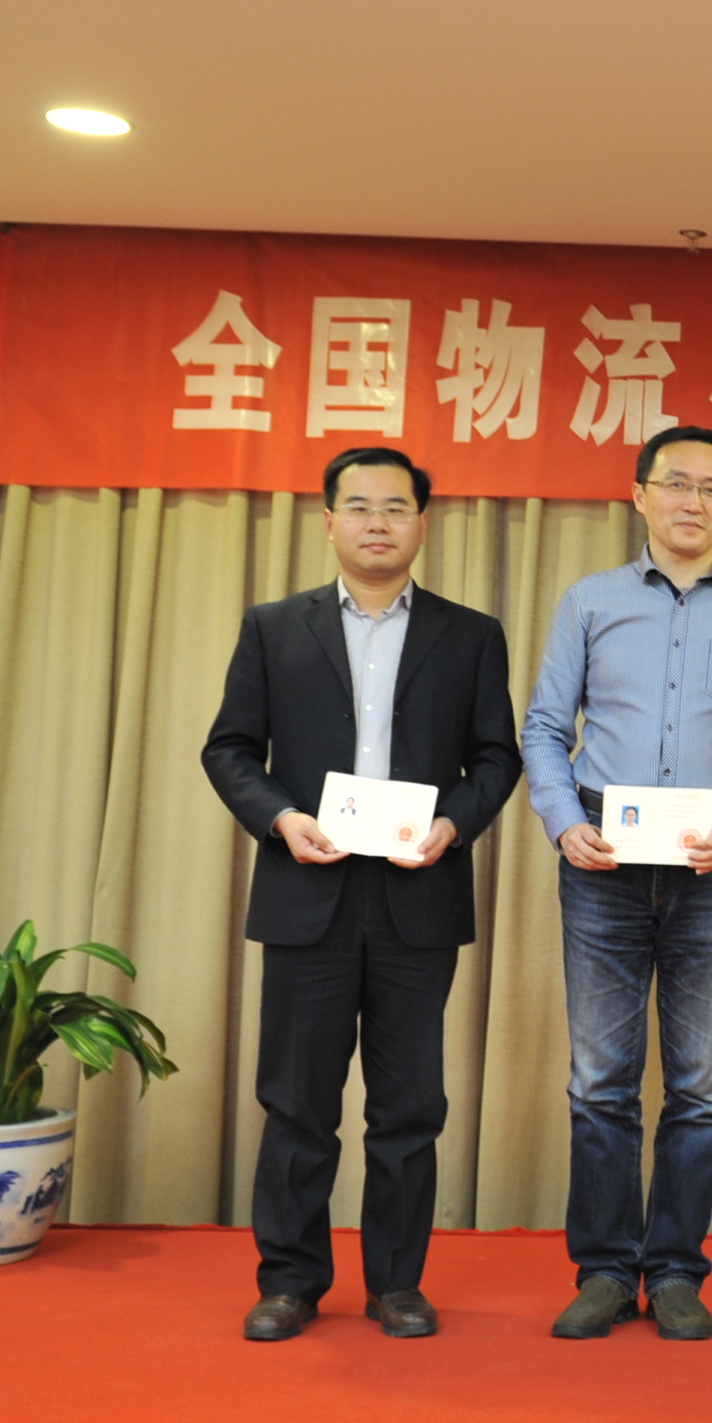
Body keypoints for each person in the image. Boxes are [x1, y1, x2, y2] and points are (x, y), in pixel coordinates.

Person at [200, 447, 521, 1342]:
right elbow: (230, 749)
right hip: (308, 889)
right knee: (296, 1102)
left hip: (419, 896)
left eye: (395, 507)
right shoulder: (274, 627)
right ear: (329, 521)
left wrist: (453, 824)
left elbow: (497, 757)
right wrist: (281, 819)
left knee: (409, 1107)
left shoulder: (471, 634)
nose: (377, 522)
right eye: (359, 507)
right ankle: (290, 1282)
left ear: (423, 522)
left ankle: (396, 1286)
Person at [521, 423, 712, 1343]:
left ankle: (679, 1271)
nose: (693, 501)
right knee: (600, 1080)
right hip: (604, 859)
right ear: (639, 494)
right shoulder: (590, 601)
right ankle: (607, 1271)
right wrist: (563, 820)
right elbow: (544, 727)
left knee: (701, 1083)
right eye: (676, 483)